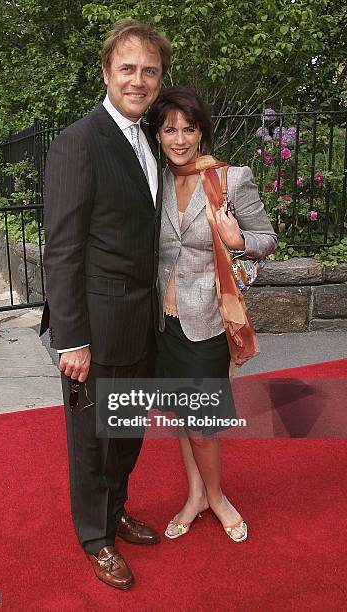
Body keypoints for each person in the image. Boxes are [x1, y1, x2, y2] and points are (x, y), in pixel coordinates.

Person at [40, 20, 172, 590]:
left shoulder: (151, 139)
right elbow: (62, 248)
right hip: (94, 327)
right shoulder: (78, 141)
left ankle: (115, 510)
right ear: (105, 73)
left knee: (127, 432)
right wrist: (71, 339)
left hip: (142, 325)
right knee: (92, 440)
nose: (138, 80)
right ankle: (95, 537)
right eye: (128, 68)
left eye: (149, 70)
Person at [147, 87, 277, 542]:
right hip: (164, 322)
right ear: (158, 135)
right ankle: (195, 495)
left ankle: (217, 498)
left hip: (207, 322)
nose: (180, 139)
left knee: (202, 427)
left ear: (201, 131)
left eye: (188, 128)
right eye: (169, 130)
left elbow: (267, 237)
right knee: (182, 418)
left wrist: (238, 239)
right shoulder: (156, 180)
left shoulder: (229, 178)